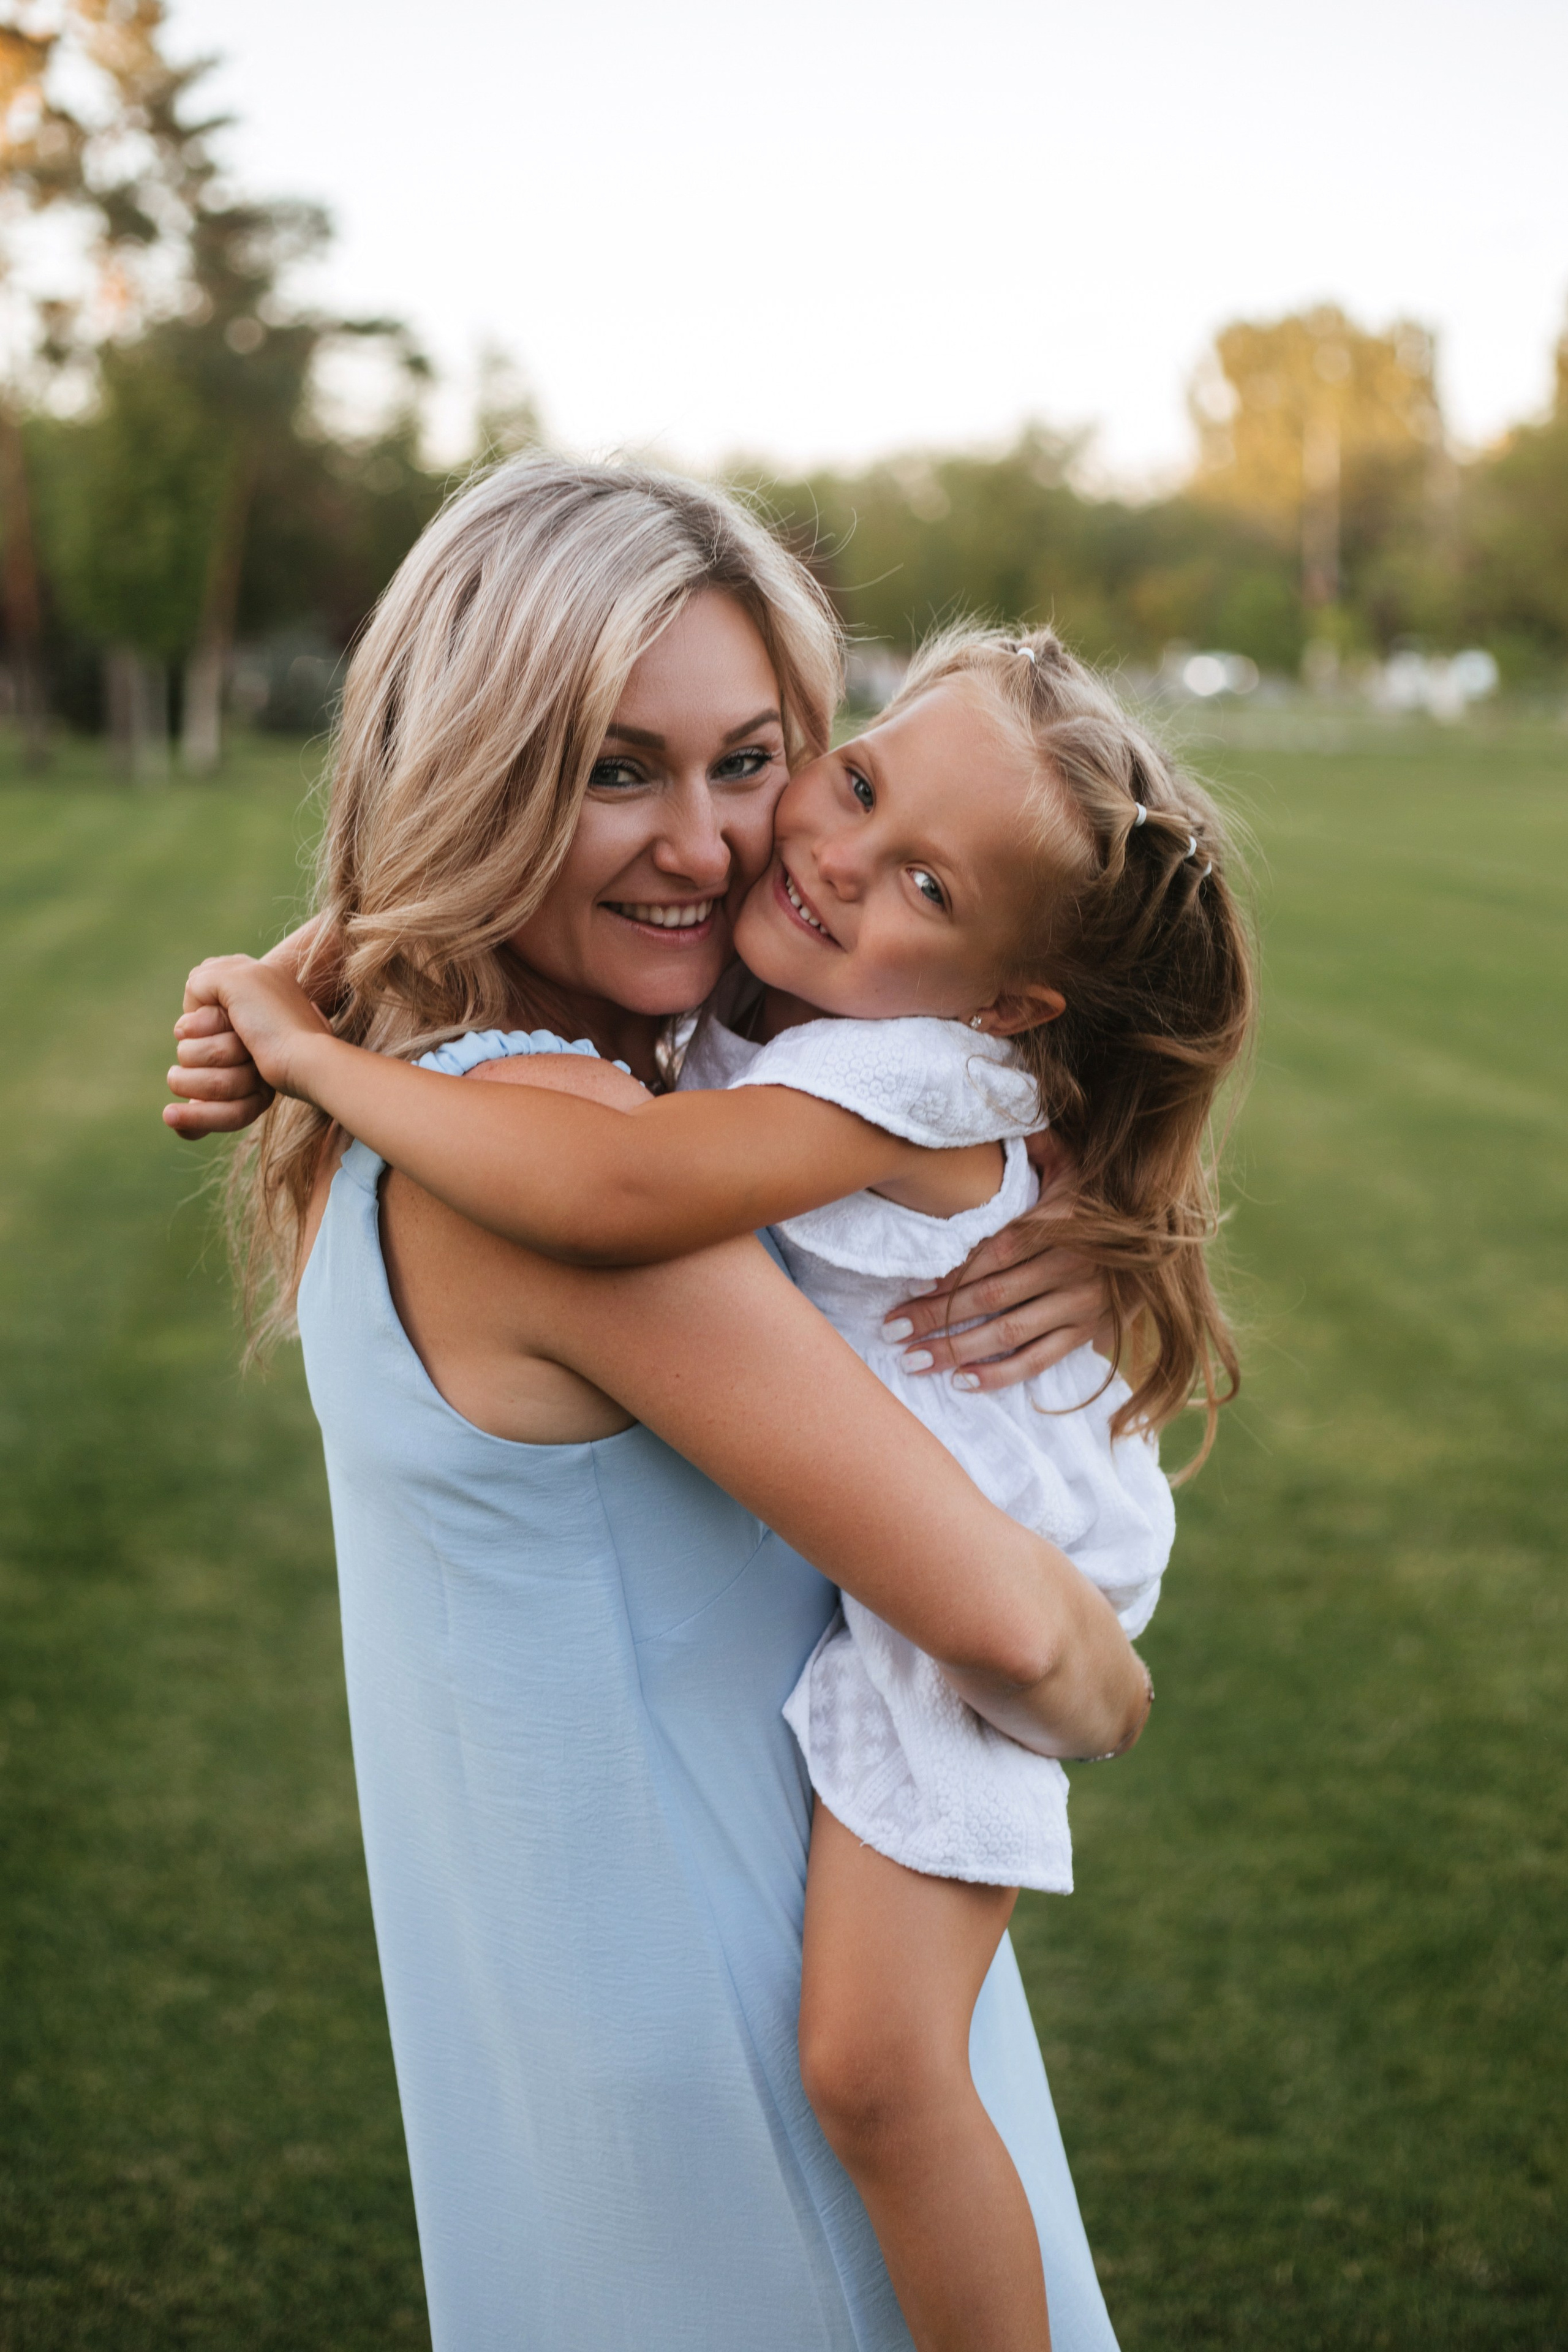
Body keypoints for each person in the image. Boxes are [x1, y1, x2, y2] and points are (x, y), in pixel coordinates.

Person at [165, 456, 1147, 2352]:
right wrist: (1106, 1683)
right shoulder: (551, 1155)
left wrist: (1088, 1221)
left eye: (755, 756)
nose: (707, 843)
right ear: (479, 772)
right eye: (616, 770)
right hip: (754, 2080)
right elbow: (1017, 1620)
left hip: (607, 2051)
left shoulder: (493, 1086)